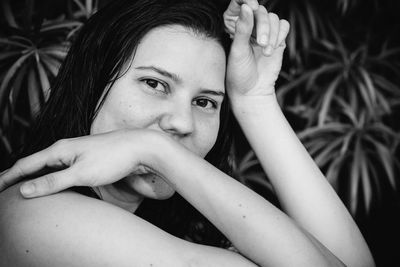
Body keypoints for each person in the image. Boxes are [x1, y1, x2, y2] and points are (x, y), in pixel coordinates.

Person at [0, 0, 375, 266]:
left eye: (206, 102)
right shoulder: (36, 215)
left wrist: (254, 101)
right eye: (154, 83)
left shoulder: (172, 228)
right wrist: (156, 150)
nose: (183, 123)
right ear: (91, 84)